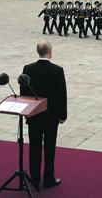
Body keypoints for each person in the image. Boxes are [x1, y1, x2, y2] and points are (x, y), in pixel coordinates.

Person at [21, 40, 67, 191]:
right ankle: (49, 179)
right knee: (49, 148)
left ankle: (34, 178)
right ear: (50, 52)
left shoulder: (28, 68)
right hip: (51, 116)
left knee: (34, 148)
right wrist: (62, 114)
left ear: (38, 52)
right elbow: (61, 94)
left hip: (33, 115)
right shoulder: (57, 70)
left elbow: (24, 94)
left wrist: (26, 112)